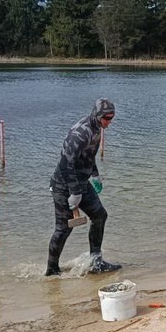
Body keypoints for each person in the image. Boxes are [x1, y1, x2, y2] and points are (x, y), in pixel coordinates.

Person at [45, 99, 121, 276]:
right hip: (63, 185)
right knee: (63, 228)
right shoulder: (79, 133)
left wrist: (94, 174)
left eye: (112, 118)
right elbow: (66, 164)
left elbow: (88, 156)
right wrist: (75, 192)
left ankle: (96, 262)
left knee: (100, 216)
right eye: (107, 118)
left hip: (82, 182)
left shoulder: (97, 129)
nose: (110, 122)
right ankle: (51, 270)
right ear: (97, 115)